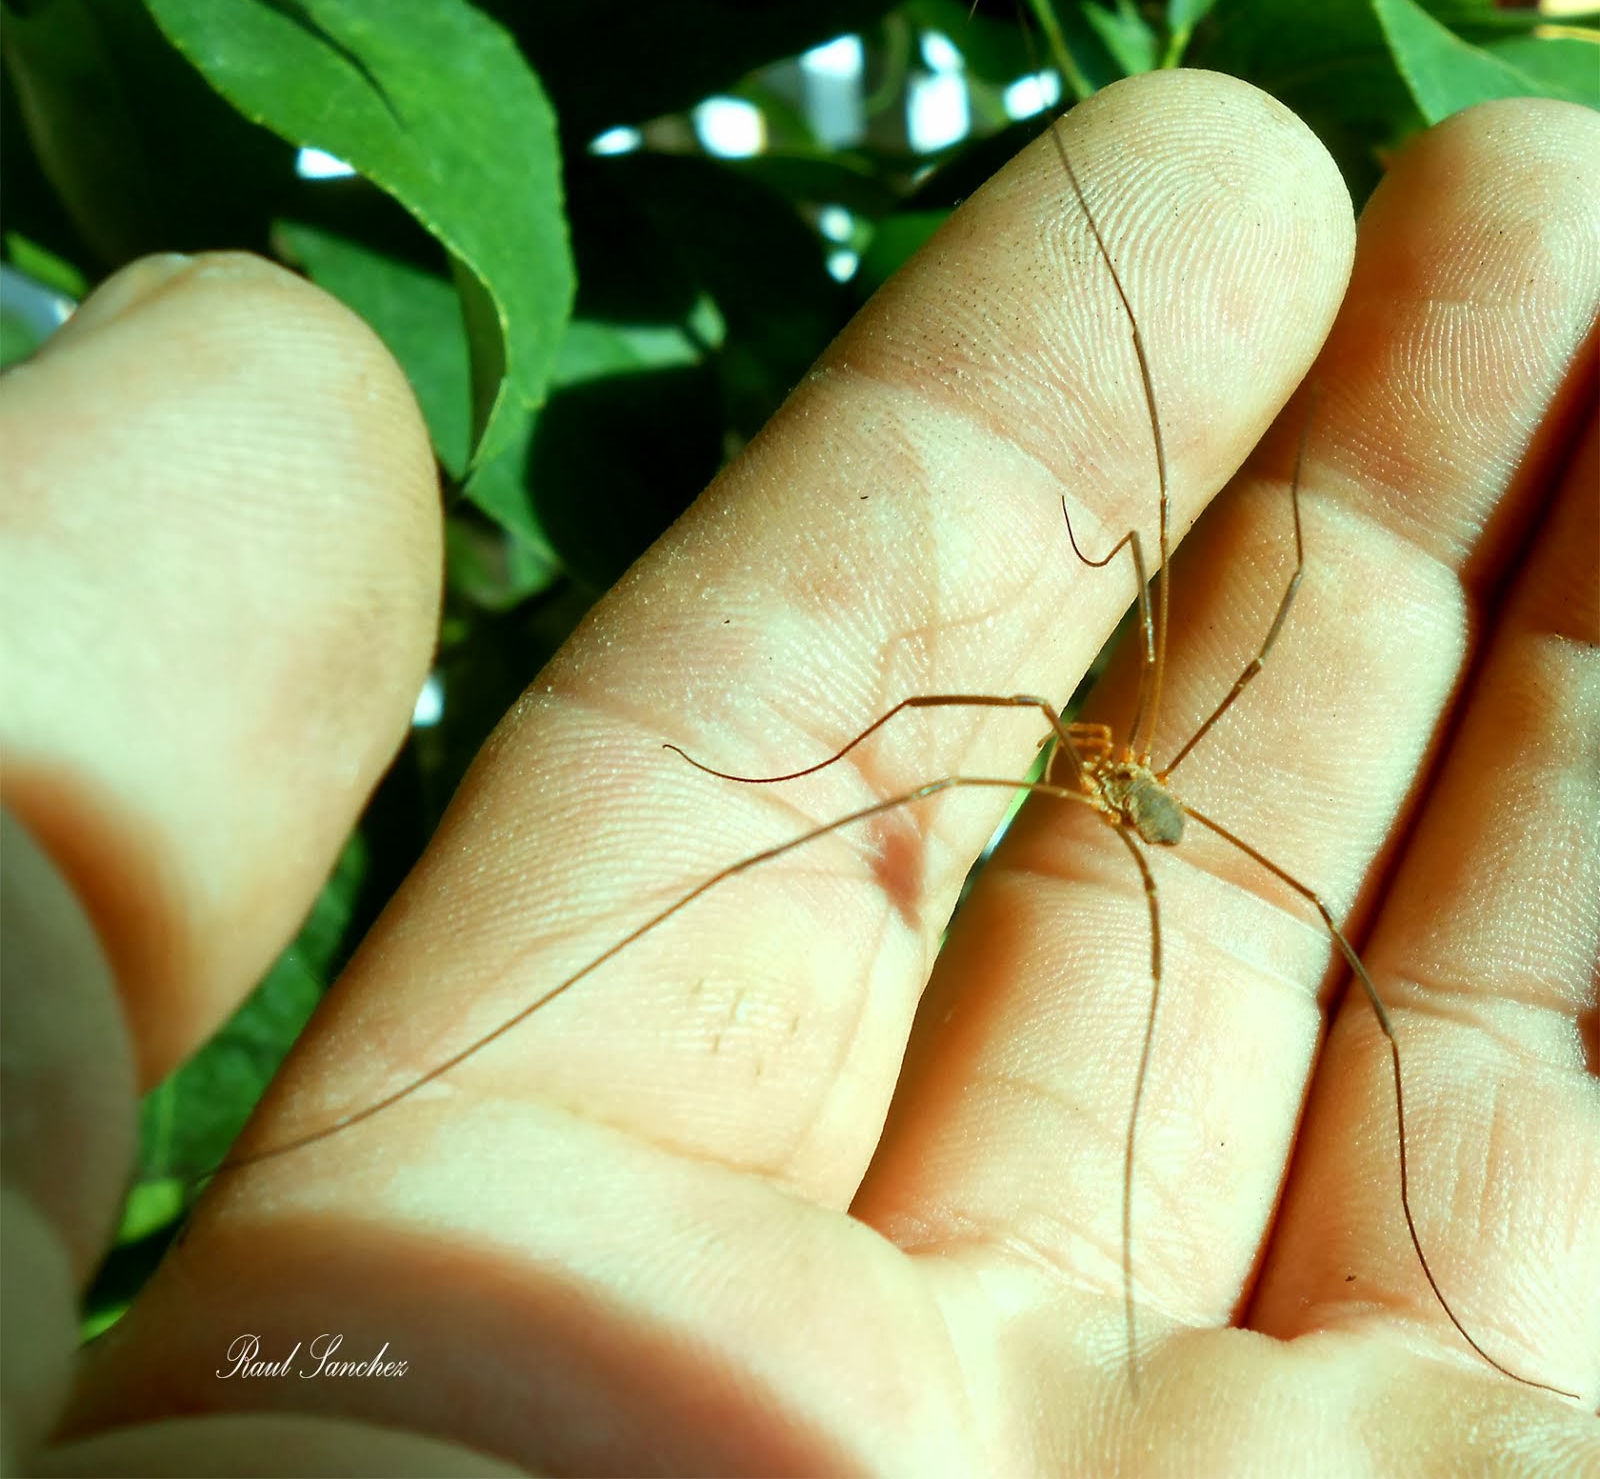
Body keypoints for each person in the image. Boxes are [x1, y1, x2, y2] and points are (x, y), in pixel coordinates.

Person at [4, 73, 1595, 1475]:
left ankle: (1162, 1252)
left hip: (1174, 837)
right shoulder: (1082, 744)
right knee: (1085, 610)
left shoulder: (1140, 793)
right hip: (1096, 789)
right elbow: (1093, 579)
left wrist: (1301, 502)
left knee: (1313, 918)